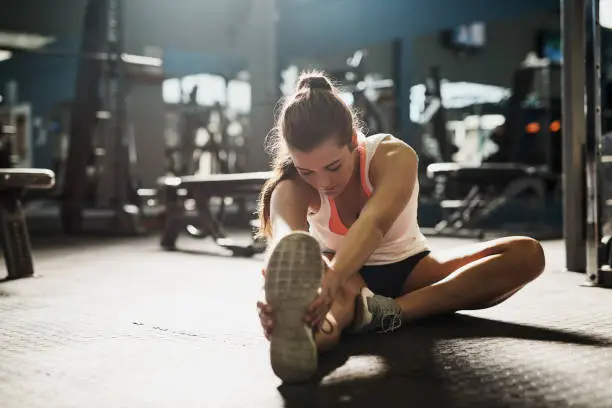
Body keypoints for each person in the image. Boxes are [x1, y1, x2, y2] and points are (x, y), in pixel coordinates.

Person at [255, 70, 545, 383]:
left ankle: (386, 313)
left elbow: (375, 223)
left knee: (527, 254)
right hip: (346, 285)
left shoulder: (393, 155)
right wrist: (279, 302)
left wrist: (335, 277)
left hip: (411, 271)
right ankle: (313, 330)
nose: (323, 183)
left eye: (333, 166)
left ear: (353, 140)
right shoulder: (291, 186)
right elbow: (286, 241)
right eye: (307, 171)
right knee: (321, 315)